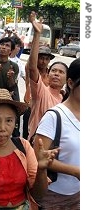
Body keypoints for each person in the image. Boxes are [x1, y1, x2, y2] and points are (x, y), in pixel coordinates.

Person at [33, 58, 80, 209]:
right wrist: (75, 171)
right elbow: (38, 157)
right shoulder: (54, 116)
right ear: (71, 84)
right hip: (53, 195)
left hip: (79, 194)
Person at [26, 11, 68, 143]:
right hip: (37, 147)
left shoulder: (66, 99)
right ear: (48, 74)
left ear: (68, 80)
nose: (56, 73)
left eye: (61, 72)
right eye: (54, 70)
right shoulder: (42, 91)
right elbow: (32, 68)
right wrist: (37, 34)